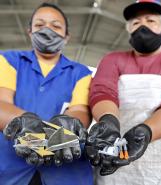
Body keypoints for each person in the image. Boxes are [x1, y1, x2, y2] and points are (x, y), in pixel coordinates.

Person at [85, 0, 161, 184]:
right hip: (117, 160)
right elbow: (102, 91)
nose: (143, 26)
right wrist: (108, 120)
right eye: (136, 22)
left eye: (150, 21)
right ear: (129, 29)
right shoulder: (112, 59)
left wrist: (145, 132)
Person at [0, 3, 93, 185]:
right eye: (39, 25)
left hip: (66, 171)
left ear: (66, 37)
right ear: (30, 32)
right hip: (10, 169)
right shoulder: (8, 60)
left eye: (56, 26)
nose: (47, 30)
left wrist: (66, 125)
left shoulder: (81, 73)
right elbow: (2, 102)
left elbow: (80, 111)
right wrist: (28, 123)